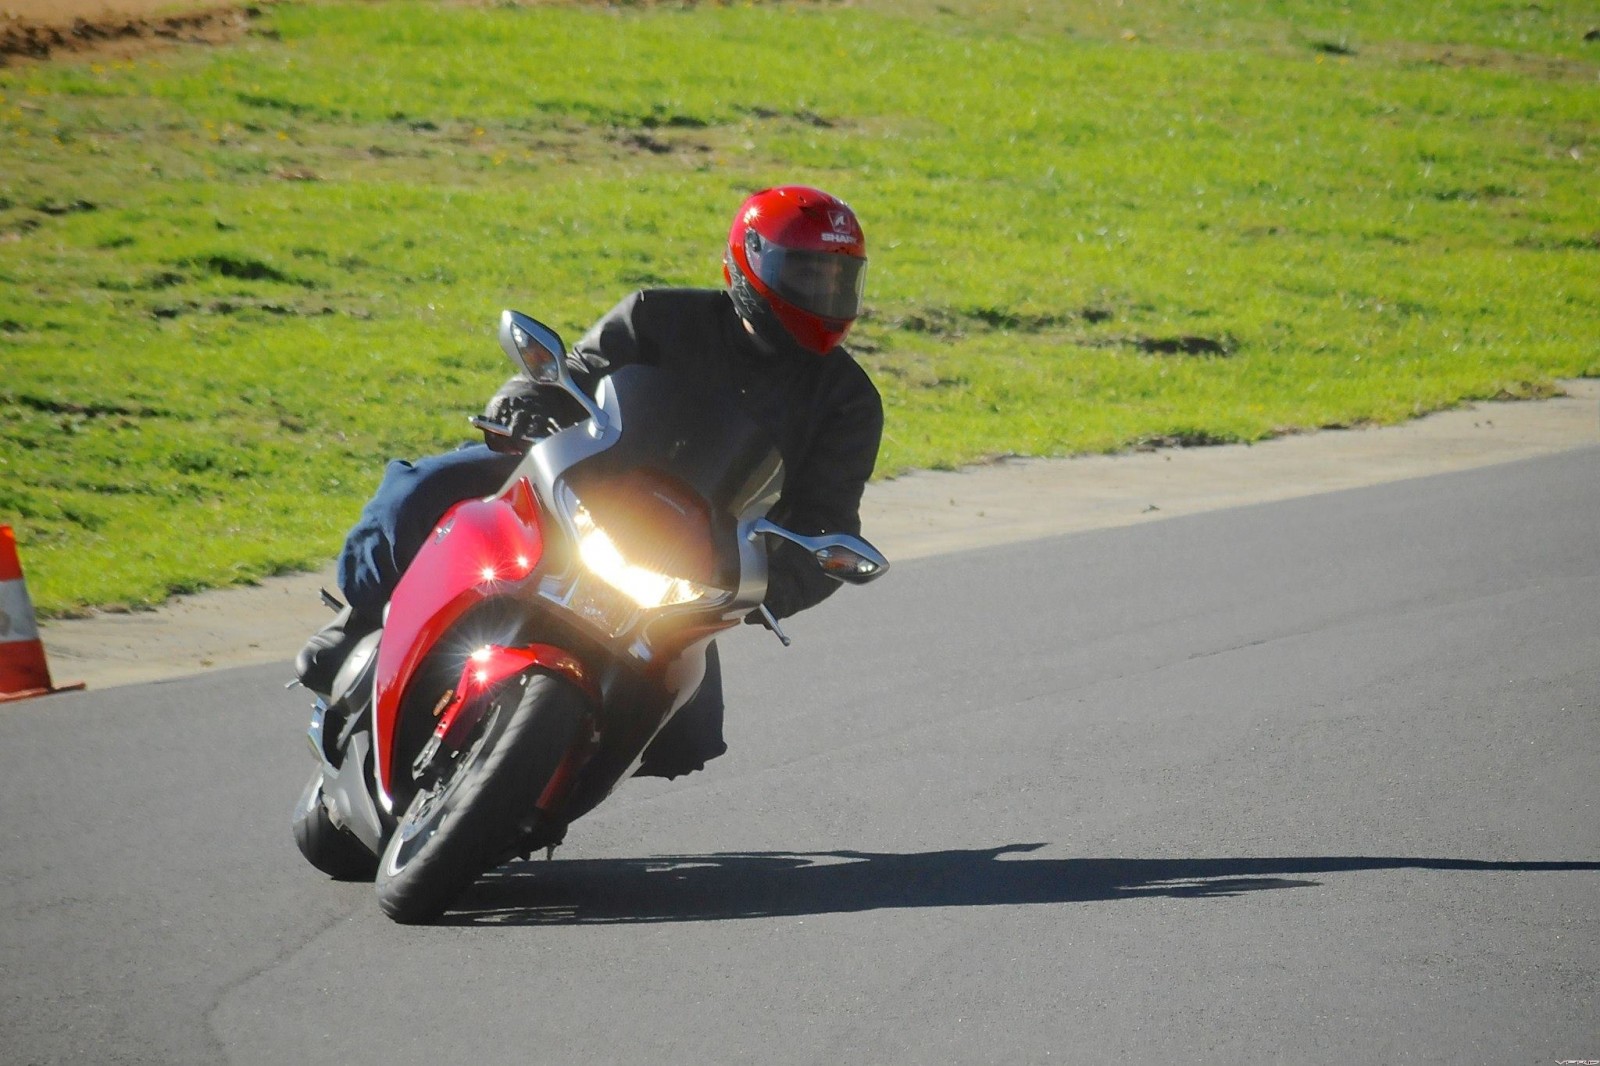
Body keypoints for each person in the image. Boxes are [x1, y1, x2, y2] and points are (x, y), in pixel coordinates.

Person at [296, 185, 883, 778]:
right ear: (748, 259)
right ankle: (362, 621)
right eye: (806, 274)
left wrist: (777, 583)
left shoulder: (849, 402)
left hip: (689, 557)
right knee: (420, 491)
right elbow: (574, 370)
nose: (823, 295)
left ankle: (543, 788)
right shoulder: (659, 314)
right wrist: (524, 402)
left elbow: (828, 520)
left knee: (689, 735)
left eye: (838, 279)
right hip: (578, 481)